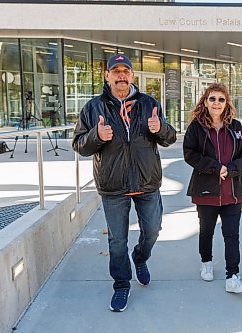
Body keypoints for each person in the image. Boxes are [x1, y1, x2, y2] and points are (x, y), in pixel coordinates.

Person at [72, 54, 177, 312]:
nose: (121, 75)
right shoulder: (93, 108)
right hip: (113, 186)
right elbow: (78, 144)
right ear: (107, 75)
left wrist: (160, 128)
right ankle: (121, 285)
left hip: (147, 182)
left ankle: (140, 257)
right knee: (117, 241)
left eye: (125, 70)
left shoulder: (149, 103)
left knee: (152, 231)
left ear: (132, 75)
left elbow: (170, 138)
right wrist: (96, 136)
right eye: (115, 70)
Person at [183, 82, 242, 293]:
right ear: (205, 101)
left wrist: (230, 169)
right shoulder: (196, 127)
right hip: (206, 190)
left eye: (221, 99)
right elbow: (190, 154)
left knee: (232, 234)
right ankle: (206, 261)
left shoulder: (236, 126)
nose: (216, 103)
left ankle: (233, 276)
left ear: (226, 103)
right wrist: (215, 168)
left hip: (233, 191)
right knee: (207, 231)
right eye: (212, 98)